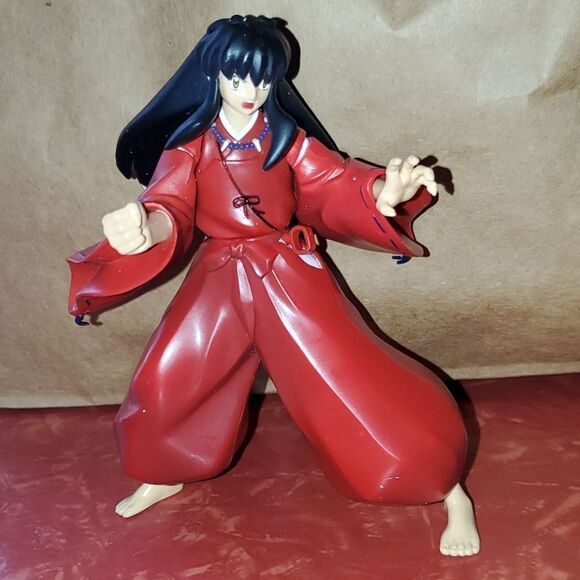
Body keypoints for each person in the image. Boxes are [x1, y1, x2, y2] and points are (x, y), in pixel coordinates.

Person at [68, 15, 480, 557]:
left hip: (285, 271)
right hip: (220, 275)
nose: (250, 91)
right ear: (214, 75)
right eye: (238, 78)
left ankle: (443, 483)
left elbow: (334, 180)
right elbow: (170, 203)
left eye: (263, 80)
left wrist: (383, 192)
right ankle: (163, 469)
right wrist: (146, 227)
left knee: (349, 374)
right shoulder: (191, 145)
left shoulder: (287, 140)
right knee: (171, 372)